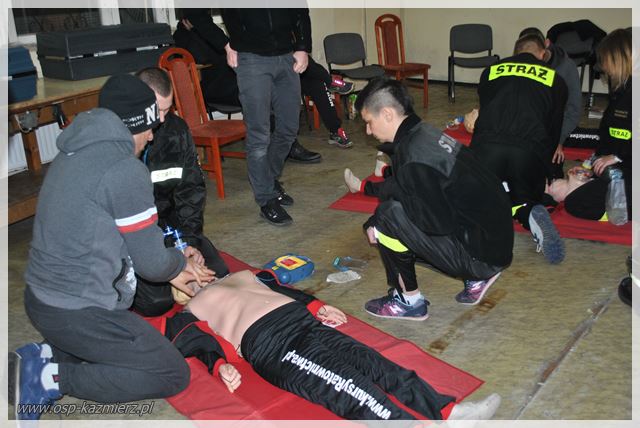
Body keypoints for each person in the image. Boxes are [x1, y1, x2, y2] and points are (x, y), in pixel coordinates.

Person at [9, 74, 216, 420]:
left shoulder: (75, 149)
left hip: (42, 300)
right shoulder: (124, 169)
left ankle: (45, 355)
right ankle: (48, 378)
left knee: (105, 347)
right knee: (170, 373)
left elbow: (120, 239)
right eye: (149, 127)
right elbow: (151, 264)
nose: (152, 136)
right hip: (76, 310)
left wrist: (173, 266)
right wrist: (176, 265)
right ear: (136, 125)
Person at [160, 269, 502, 420]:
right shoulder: (192, 307)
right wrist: (219, 365)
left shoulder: (242, 275)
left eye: (194, 255)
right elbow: (192, 340)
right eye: (186, 263)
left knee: (375, 363)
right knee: (346, 386)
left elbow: (281, 290)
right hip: (273, 344)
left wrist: (315, 305)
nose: (195, 262)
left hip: (303, 322)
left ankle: (448, 412)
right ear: (180, 286)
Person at [344, 78, 513, 320]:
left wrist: (380, 225)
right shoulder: (425, 132)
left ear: (388, 114)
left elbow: (435, 224)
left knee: (387, 217)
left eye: (369, 122)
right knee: (393, 213)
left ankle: (408, 301)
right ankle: (477, 277)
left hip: (482, 256)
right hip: (495, 243)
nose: (368, 131)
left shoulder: (413, 156)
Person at [130, 67, 230, 317]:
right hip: (133, 234)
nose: (162, 119)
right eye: (157, 111)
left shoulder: (176, 131)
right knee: (157, 302)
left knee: (217, 272)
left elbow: (191, 190)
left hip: (168, 222)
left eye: (168, 109)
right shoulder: (122, 140)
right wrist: (167, 263)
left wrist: (189, 242)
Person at [470, 34, 568, 264]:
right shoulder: (555, 79)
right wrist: (549, 171)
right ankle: (529, 209)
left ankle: (487, 215)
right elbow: (553, 130)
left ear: (516, 52)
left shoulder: (491, 71)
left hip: (486, 148)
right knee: (524, 193)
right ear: (542, 54)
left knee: (482, 193)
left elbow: (487, 109)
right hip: (528, 151)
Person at [564, 29, 632, 222]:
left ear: (617, 57)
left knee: (576, 203)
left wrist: (617, 156)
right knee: (579, 196)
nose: (602, 66)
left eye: (605, 60)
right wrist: (593, 162)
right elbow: (611, 134)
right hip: (622, 166)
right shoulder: (621, 91)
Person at [518, 27, 582, 178]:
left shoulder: (567, 68)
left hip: (556, 128)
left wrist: (559, 140)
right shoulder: (521, 62)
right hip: (528, 127)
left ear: (546, 44)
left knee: (551, 169)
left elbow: (573, 110)